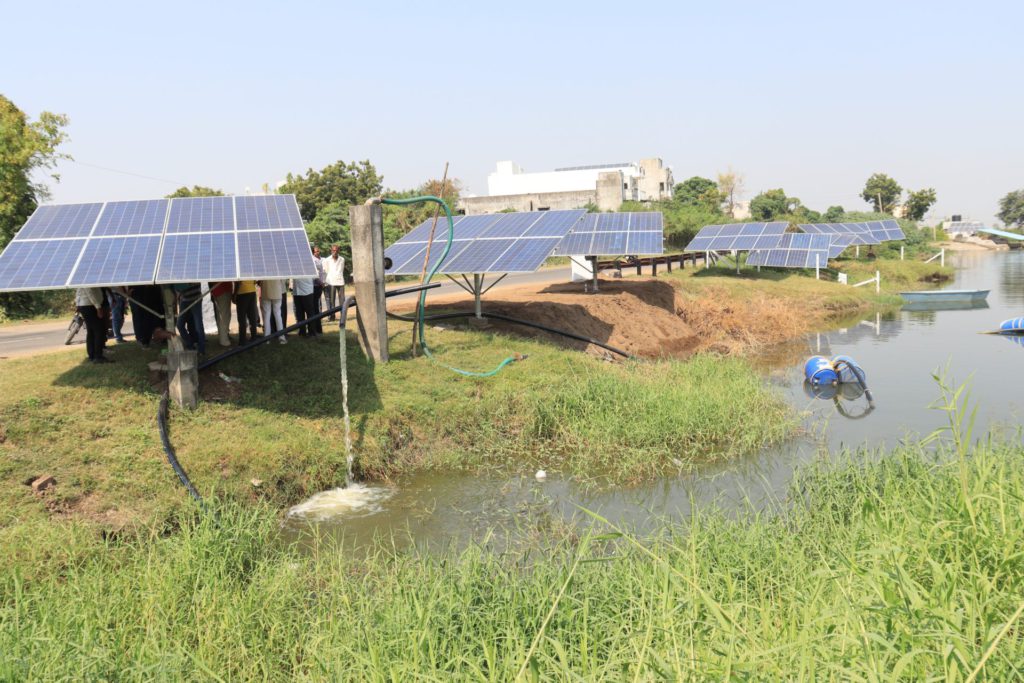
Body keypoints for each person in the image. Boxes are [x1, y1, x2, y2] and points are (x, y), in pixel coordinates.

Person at [75, 287, 111, 363]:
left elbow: (79, 292)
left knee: (91, 331)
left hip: (86, 305)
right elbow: (90, 292)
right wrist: (98, 307)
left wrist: (77, 304)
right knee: (99, 330)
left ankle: (92, 355)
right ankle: (98, 356)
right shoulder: (87, 279)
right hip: (90, 305)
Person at [174, 282, 206, 355]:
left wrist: (186, 285)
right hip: (184, 300)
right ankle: (190, 345)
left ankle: (201, 349)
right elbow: (177, 288)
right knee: (179, 325)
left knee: (198, 325)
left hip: (196, 299)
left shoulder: (194, 271)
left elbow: (196, 281)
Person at [292, 272, 320, 337]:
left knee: (310, 312)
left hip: (307, 291)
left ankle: (312, 332)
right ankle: (302, 332)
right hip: (297, 291)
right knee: (299, 313)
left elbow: (314, 275)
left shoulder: (310, 263)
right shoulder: (293, 263)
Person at [259, 279, 287, 344]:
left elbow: (260, 282)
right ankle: (281, 337)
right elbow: (282, 282)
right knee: (278, 315)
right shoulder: (278, 269)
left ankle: (266, 338)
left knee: (266, 316)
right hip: (277, 292)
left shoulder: (263, 269)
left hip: (266, 293)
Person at [323, 244, 346, 321]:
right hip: (331, 281)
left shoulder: (342, 259)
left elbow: (341, 270)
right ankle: (332, 316)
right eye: (333, 250)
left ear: (338, 250)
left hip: (340, 281)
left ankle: (343, 316)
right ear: (331, 250)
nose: (335, 252)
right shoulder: (327, 260)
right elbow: (326, 270)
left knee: (342, 300)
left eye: (336, 250)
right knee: (332, 300)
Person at [234, 280, 259, 345]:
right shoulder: (250, 269)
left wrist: (234, 294)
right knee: (252, 316)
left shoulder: (239, 269)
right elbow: (255, 281)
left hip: (242, 293)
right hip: (252, 292)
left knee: (241, 317)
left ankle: (242, 340)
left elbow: (237, 282)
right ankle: (254, 337)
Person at [210, 281, 233, 347]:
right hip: (222, 290)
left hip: (219, 290)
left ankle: (223, 337)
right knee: (224, 316)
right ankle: (224, 340)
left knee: (223, 315)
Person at [312, 246, 325, 316]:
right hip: (316, 284)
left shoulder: (321, 259)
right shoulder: (313, 260)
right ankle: (316, 315)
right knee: (315, 300)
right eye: (315, 251)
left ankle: (319, 314)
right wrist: (320, 282)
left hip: (321, 283)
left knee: (319, 299)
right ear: (313, 252)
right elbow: (315, 273)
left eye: (318, 251)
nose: (317, 253)